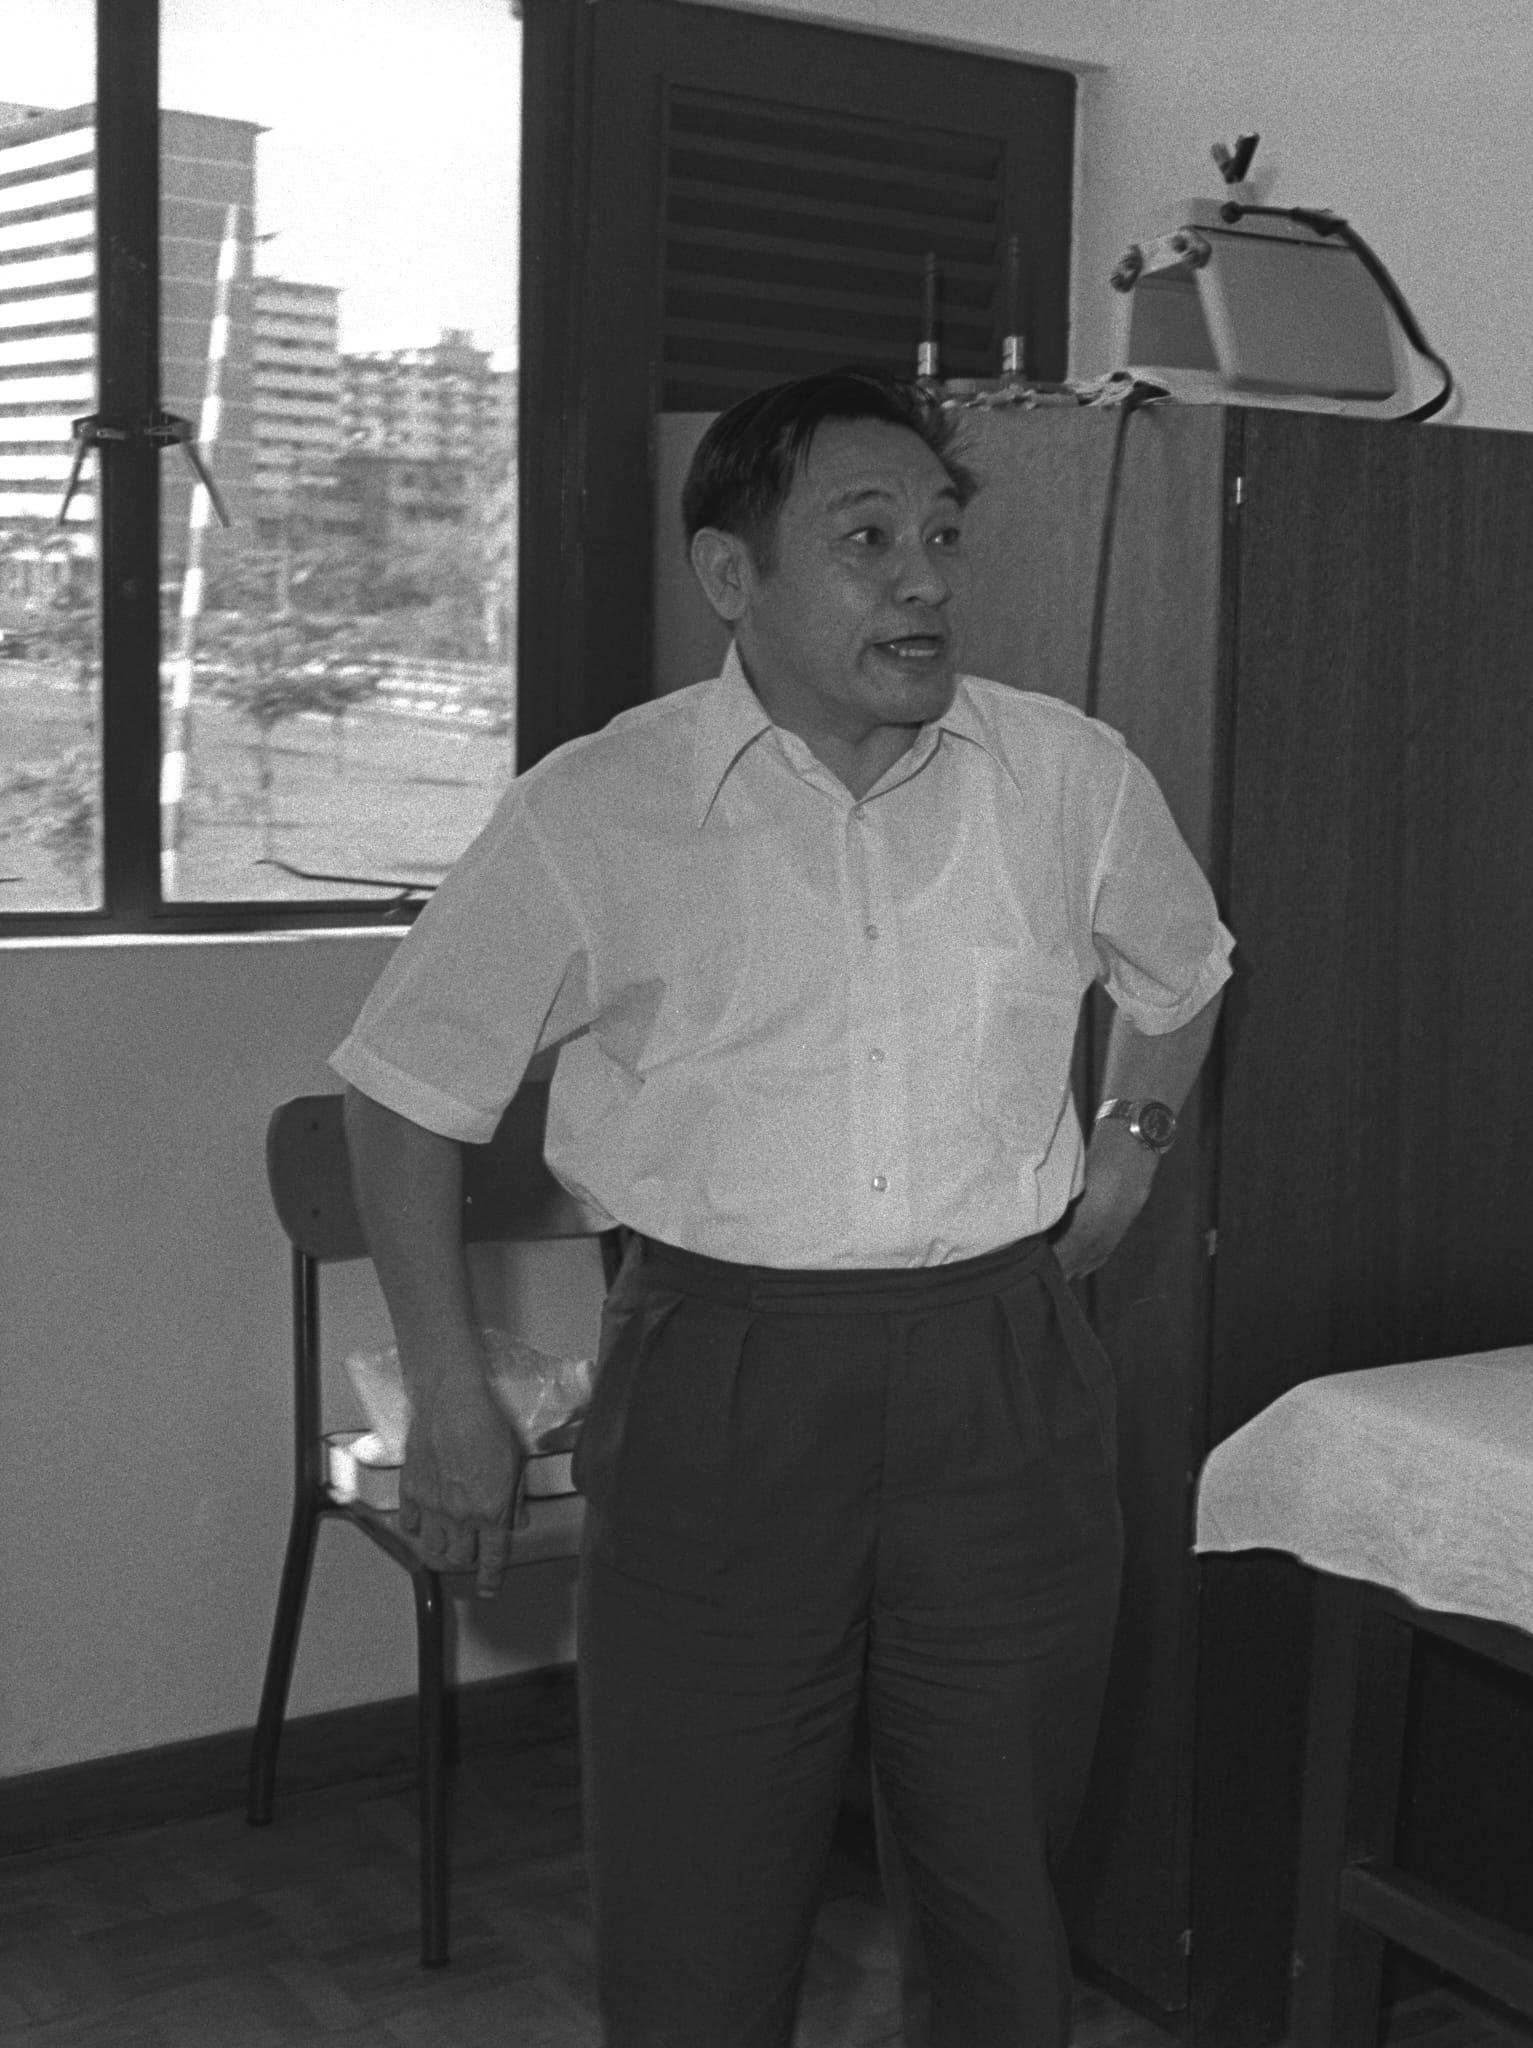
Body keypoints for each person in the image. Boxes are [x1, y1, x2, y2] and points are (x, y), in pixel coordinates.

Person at [333, 367, 1231, 2046]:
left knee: (998, 1884)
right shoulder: (599, 810)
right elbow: (404, 1098)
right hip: (720, 1384)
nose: (925, 579)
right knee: (700, 1894)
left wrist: (1132, 1134)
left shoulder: (1065, 776)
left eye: (944, 535)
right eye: (867, 537)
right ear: (731, 577)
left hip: (1005, 1388)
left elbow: (1183, 970)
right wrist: (450, 1387)